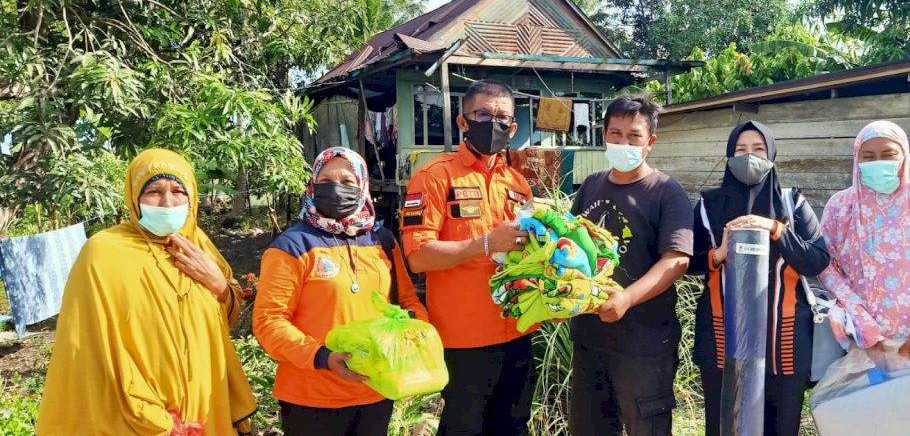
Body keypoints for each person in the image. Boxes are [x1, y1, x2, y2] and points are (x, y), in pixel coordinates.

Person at [36, 149, 256, 435]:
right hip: (136, 416)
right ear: (134, 196)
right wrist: (156, 420)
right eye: (154, 191)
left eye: (179, 191)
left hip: (207, 406)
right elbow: (91, 347)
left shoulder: (198, 247)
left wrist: (219, 286)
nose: (167, 202)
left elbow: (224, 320)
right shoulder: (103, 253)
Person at [253, 147, 428, 435]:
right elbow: (269, 321)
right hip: (311, 397)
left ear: (362, 187)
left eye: (347, 182)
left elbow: (408, 301)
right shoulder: (292, 246)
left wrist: (413, 333)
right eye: (326, 180)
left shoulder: (382, 241)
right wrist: (322, 356)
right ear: (312, 185)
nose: (336, 188)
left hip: (375, 390)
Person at [401, 80, 536, 436]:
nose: (494, 123)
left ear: (513, 127)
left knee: (513, 426)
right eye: (483, 114)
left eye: (502, 117)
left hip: (518, 328)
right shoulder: (433, 177)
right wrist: (486, 244)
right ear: (463, 121)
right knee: (463, 428)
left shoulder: (519, 184)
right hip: (464, 338)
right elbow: (417, 257)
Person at [688, 121, 830, 436]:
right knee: (725, 425)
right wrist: (718, 253)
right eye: (740, 151)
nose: (749, 157)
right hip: (722, 340)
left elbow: (817, 259)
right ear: (728, 156)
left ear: (772, 154)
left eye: (758, 149)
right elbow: (684, 260)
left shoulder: (792, 203)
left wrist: (776, 229)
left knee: (781, 427)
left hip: (785, 342)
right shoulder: (708, 206)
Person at [567, 94, 693, 436]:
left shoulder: (667, 192)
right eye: (615, 134)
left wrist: (626, 298)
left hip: (643, 346)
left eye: (633, 136)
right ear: (604, 136)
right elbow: (569, 243)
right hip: (590, 339)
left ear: (649, 142)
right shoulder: (592, 184)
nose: (623, 142)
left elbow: (676, 260)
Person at [818, 120, 910, 395]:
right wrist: (863, 324)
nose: (878, 162)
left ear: (904, 157)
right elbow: (828, 267)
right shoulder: (840, 207)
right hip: (863, 343)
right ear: (856, 159)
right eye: (868, 156)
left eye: (888, 155)